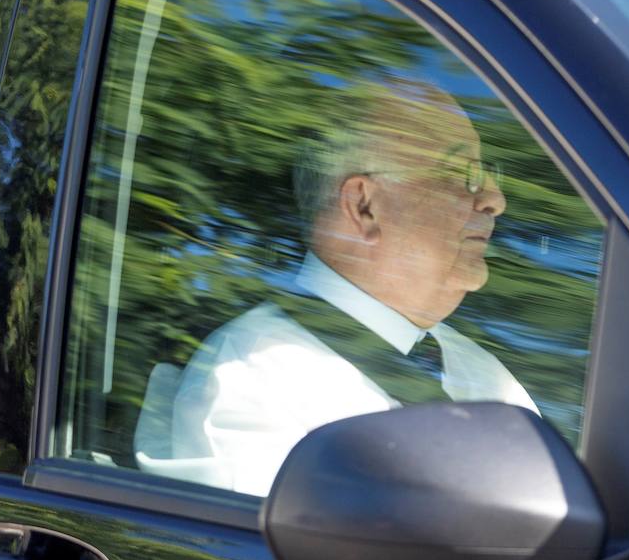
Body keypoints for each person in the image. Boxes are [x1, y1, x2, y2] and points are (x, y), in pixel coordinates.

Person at [138, 79, 536, 496]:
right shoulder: (250, 387)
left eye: (490, 174)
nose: (495, 198)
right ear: (365, 207)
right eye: (463, 174)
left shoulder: (486, 376)